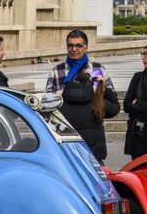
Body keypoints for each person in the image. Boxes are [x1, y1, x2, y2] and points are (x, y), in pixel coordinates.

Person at [48, 29, 121, 162]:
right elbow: (48, 102)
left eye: (78, 46)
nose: (74, 49)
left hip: (92, 132)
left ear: (86, 47)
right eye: (70, 45)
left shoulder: (98, 69)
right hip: (65, 134)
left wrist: (101, 89)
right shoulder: (57, 71)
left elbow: (110, 98)